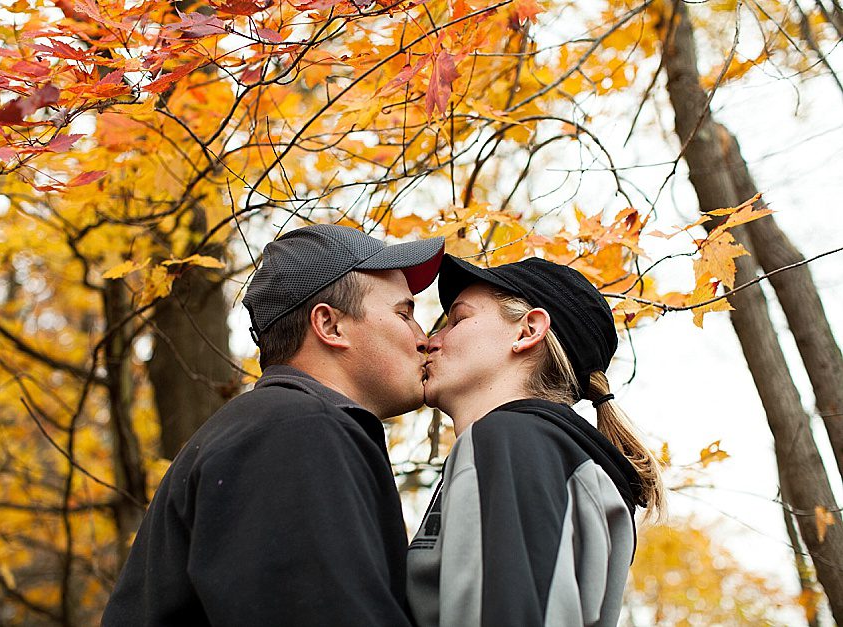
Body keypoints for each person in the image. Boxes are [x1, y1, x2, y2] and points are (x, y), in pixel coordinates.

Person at [102, 224, 443, 626]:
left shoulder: (277, 427)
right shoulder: (295, 432)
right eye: (404, 313)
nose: (425, 339)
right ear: (330, 326)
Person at [407, 255, 665, 627]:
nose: (431, 340)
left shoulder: (511, 441)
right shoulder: (552, 452)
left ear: (528, 331)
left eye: (459, 320)